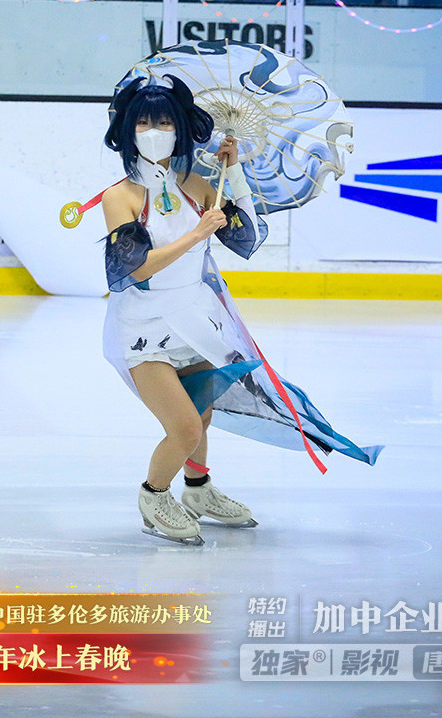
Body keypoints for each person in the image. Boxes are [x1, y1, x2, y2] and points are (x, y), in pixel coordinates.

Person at [101, 75, 380, 546]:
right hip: (143, 329)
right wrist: (196, 233)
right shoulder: (120, 197)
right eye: (143, 123)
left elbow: (244, 237)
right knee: (184, 427)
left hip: (195, 321)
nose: (154, 132)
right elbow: (135, 269)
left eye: (164, 122)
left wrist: (233, 173)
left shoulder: (196, 185)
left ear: (180, 129)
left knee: (202, 415)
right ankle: (153, 496)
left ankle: (198, 489)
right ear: (128, 130)